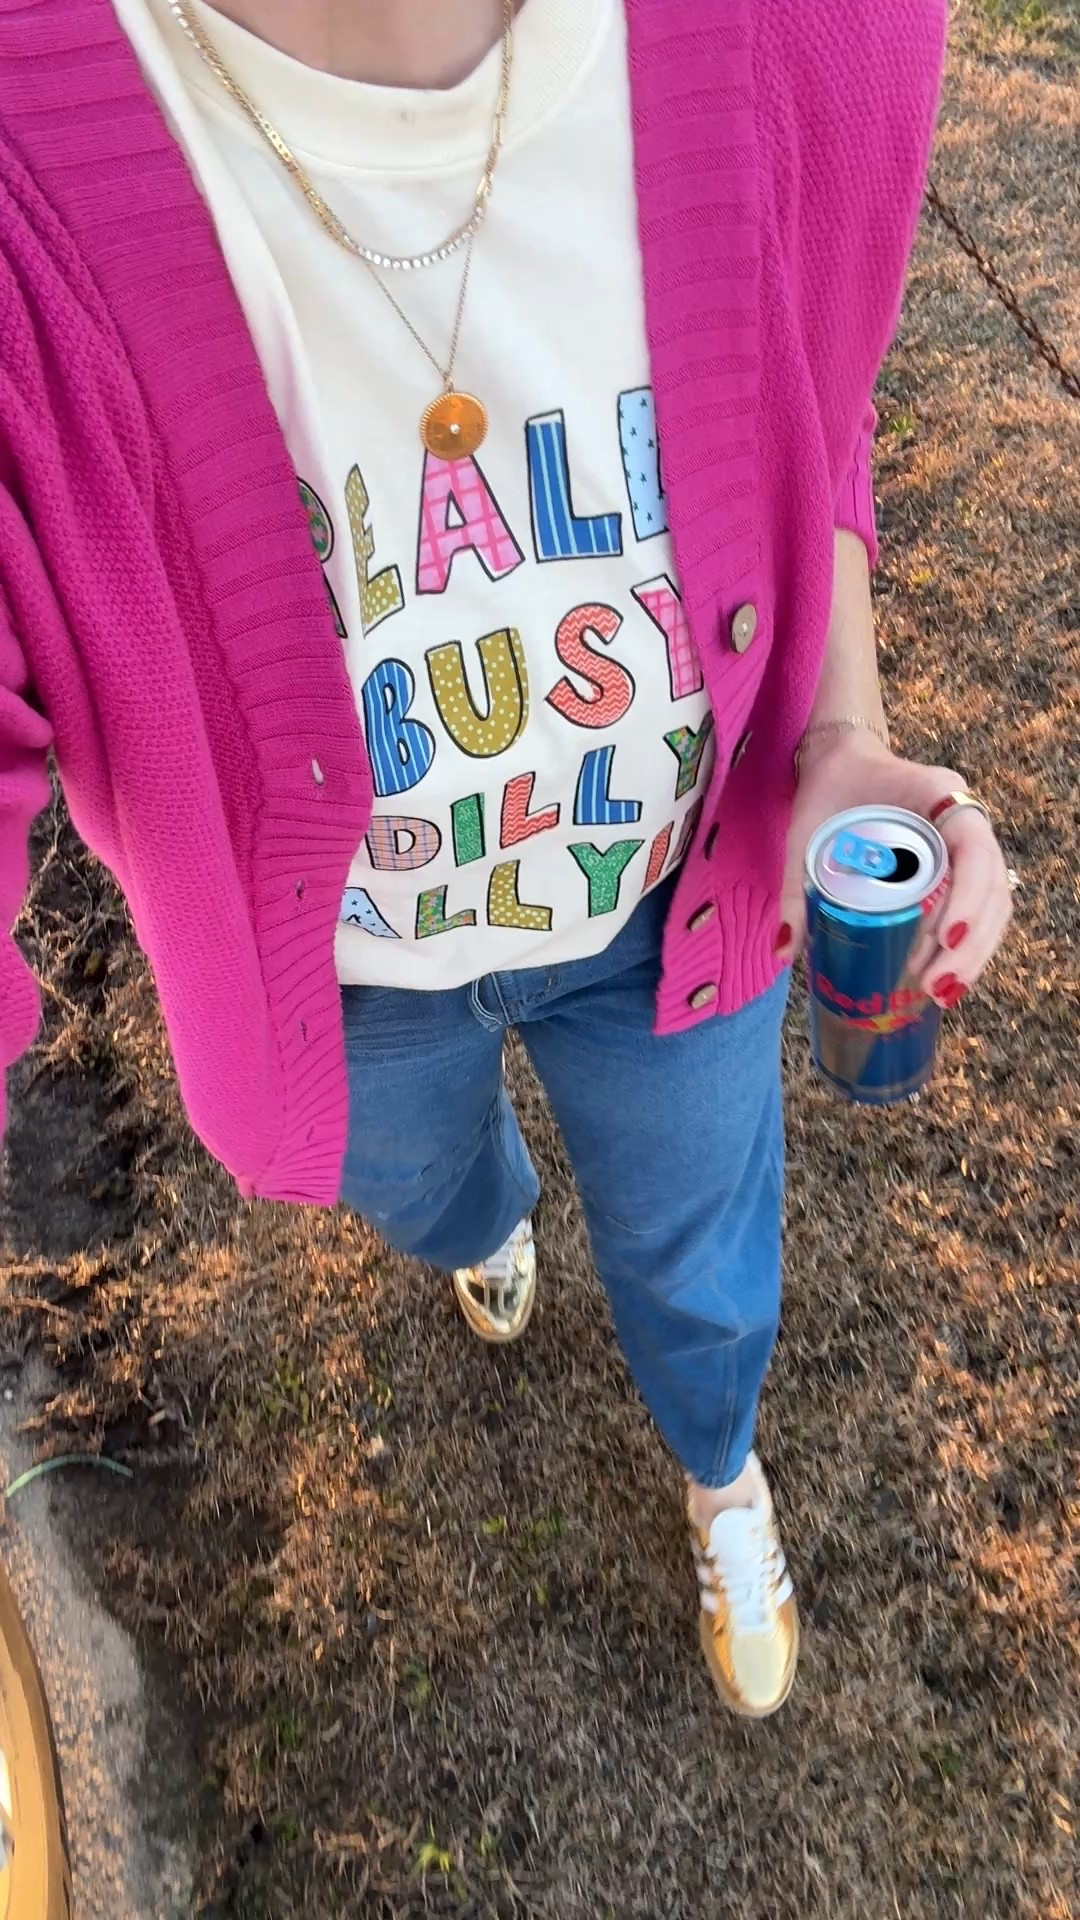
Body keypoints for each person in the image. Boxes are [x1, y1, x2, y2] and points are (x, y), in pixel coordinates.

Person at [0, 0, 1013, 1719]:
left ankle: (721, 1468)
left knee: (702, 1256)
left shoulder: (827, 29)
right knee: (426, 1187)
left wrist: (840, 730)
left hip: (679, 917)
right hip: (353, 992)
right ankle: (488, 1225)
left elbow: (816, 400)